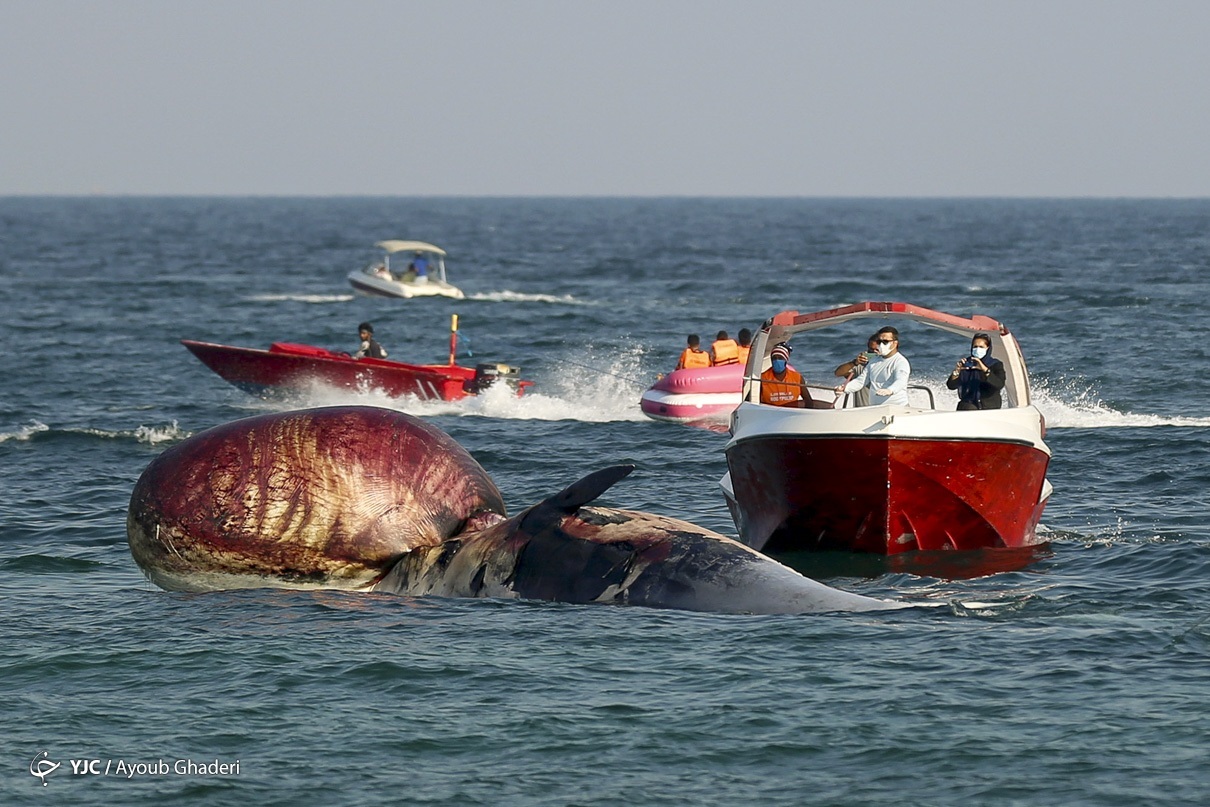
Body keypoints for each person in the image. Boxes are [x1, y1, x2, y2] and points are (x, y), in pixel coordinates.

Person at [835, 326, 910, 405]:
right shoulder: (874, 361)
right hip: (875, 408)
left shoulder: (901, 362)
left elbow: (900, 381)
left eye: (885, 342)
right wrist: (844, 388)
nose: (881, 345)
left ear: (895, 343)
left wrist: (890, 390)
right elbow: (861, 381)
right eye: (879, 341)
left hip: (898, 407)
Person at [947, 332, 1006, 410]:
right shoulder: (967, 363)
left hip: (989, 406)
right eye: (975, 347)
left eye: (981, 347)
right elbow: (951, 386)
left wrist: (984, 369)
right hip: (967, 405)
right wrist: (956, 372)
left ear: (988, 348)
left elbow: (999, 384)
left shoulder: (995, 364)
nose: (978, 349)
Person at [833, 334, 881, 407]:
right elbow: (838, 373)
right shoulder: (860, 364)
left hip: (882, 410)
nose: (873, 353)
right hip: (861, 411)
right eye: (870, 350)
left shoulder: (891, 365)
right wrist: (854, 363)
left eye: (877, 350)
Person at [760, 343, 811, 407]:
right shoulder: (762, 378)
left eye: (780, 358)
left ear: (785, 360)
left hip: (790, 414)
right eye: (774, 358)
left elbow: (808, 402)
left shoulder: (797, 378)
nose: (777, 360)